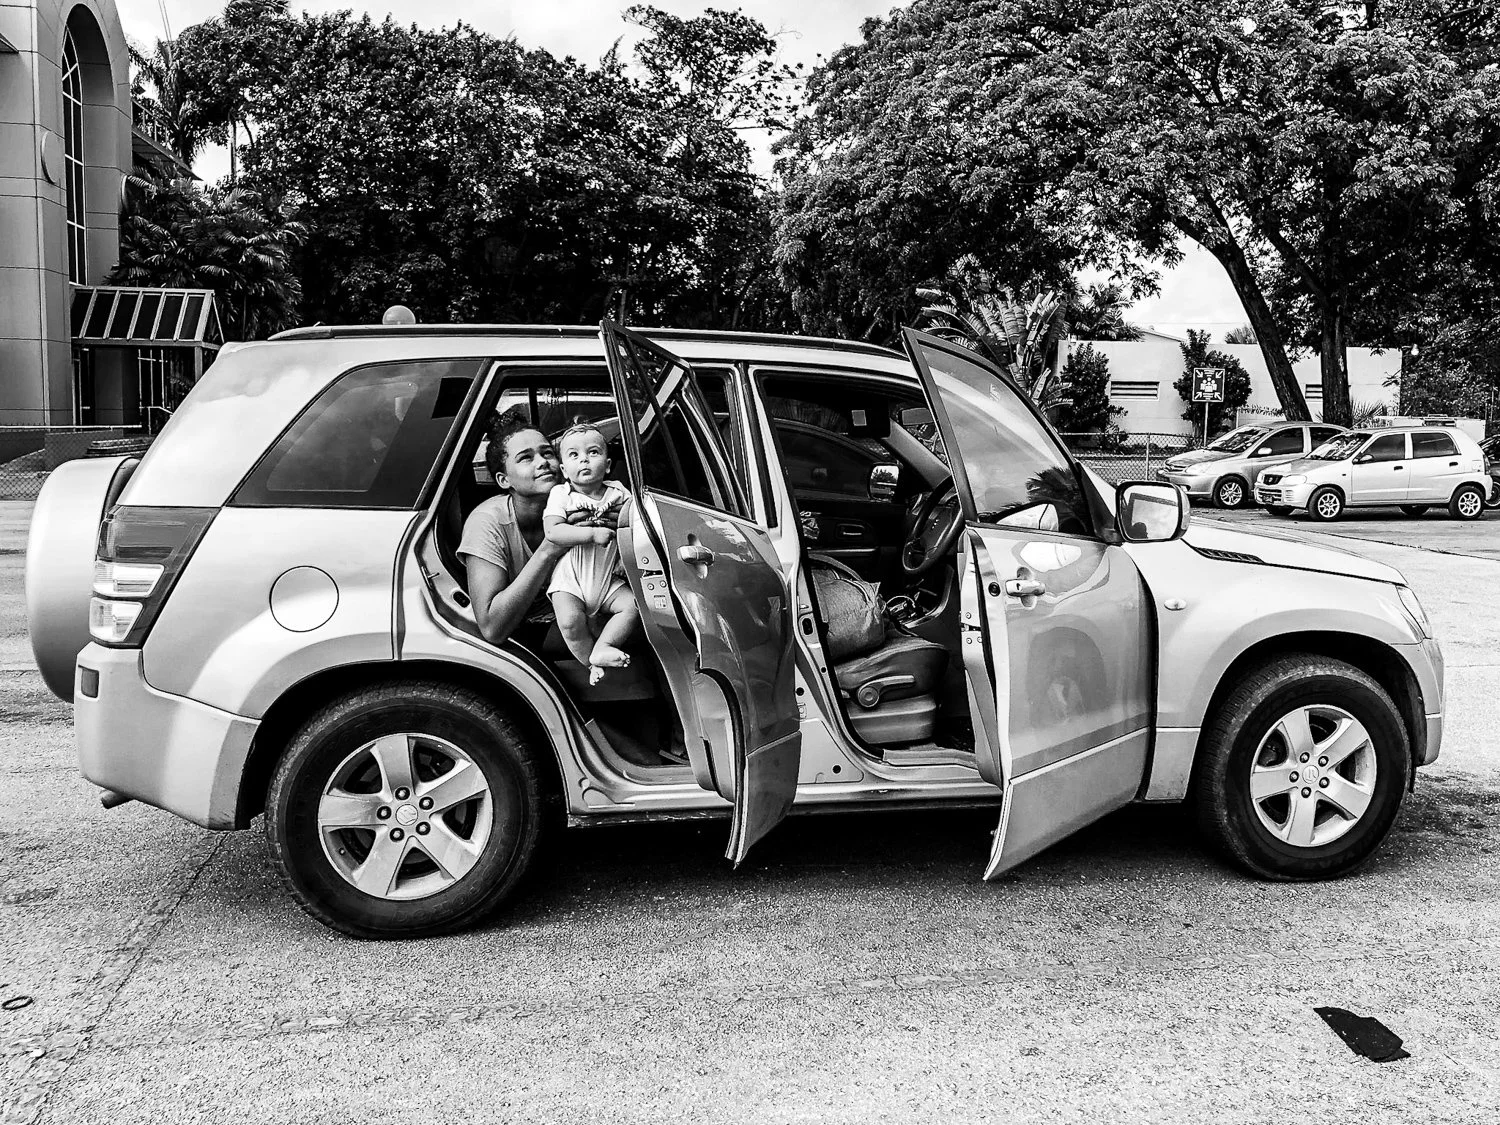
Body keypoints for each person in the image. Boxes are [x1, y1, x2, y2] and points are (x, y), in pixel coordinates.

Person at [543, 423, 639, 684]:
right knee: (570, 622)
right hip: (570, 579)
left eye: (593, 452)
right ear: (564, 470)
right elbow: (553, 532)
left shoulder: (619, 493)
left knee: (631, 607)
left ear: (607, 465)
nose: (584, 459)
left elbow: (635, 523)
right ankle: (589, 663)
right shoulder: (561, 494)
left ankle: (603, 648)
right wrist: (590, 535)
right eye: (573, 455)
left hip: (607, 578)